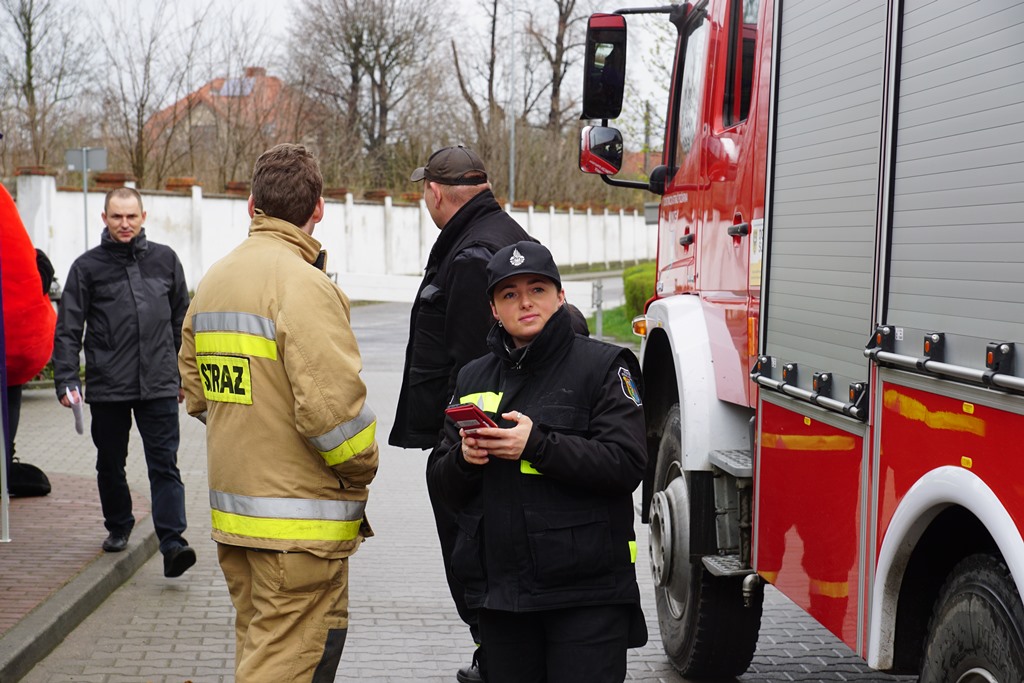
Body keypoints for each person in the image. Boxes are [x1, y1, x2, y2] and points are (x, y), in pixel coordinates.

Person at [178, 143, 379, 682]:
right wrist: (362, 467)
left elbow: (197, 392)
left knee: (260, 651)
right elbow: (335, 419)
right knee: (285, 665)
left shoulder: (214, 281)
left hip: (237, 523)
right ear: (318, 208)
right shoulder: (305, 285)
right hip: (298, 530)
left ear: (251, 205)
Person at [427, 241, 648, 683]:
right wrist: (466, 459)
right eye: (509, 294)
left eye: (538, 289)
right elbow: (441, 481)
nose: (525, 302)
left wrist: (538, 446)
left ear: (561, 297)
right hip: (503, 600)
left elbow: (626, 464)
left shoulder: (605, 366)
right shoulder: (472, 377)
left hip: (586, 595)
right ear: (493, 308)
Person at [388, 144, 533, 683]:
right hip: (499, 439)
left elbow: (479, 365)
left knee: (474, 545)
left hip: (476, 442)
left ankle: (493, 655)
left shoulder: (472, 255)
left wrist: (461, 447)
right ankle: (496, 652)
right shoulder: (500, 236)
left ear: (433, 192)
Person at [52, 187, 195, 577]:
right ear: (105, 219)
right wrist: (65, 378)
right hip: (109, 385)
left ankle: (172, 542)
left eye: (131, 216)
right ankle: (119, 524)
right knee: (110, 463)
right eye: (117, 217)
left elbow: (182, 322)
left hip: (160, 384)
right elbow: (68, 329)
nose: (125, 224)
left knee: (164, 465)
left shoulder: (166, 261)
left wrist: (185, 375)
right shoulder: (87, 268)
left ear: (143, 216)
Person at [0, 184, 56, 496]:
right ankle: (5, 460)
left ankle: (5, 460)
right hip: (19, 350)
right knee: (11, 392)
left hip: (16, 345)